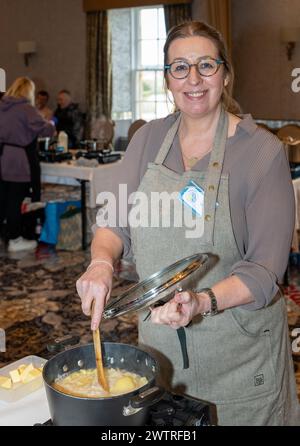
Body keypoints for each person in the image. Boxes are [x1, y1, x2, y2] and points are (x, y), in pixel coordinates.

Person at [76, 22, 299, 425]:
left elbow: (266, 270)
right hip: (162, 350)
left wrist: (200, 302)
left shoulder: (261, 151)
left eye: (206, 65)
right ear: (167, 79)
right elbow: (114, 220)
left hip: (240, 357)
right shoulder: (147, 141)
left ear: (226, 74)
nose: (192, 79)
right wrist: (101, 263)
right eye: (179, 67)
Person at [0, 77, 55, 252]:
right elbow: (46, 129)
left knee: (2, 199)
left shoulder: (2, 106)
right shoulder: (26, 109)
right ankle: (15, 240)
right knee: (14, 202)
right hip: (17, 159)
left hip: (1, 156)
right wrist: (51, 123)